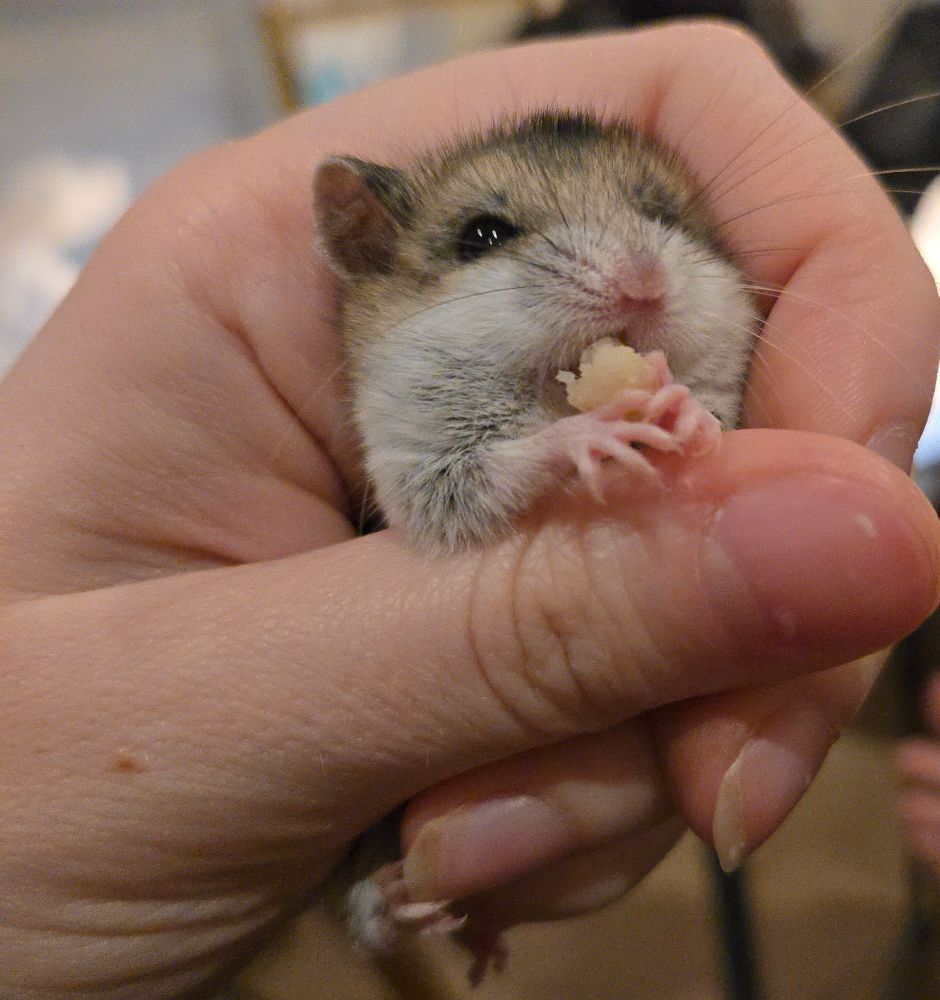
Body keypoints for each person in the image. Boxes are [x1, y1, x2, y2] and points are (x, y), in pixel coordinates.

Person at [1, 22, 938, 999]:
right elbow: (435, 499)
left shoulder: (695, 331)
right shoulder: (383, 402)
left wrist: (684, 424)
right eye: (491, 234)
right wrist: (550, 447)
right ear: (372, 257)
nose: (629, 269)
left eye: (661, 215)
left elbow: (728, 428)